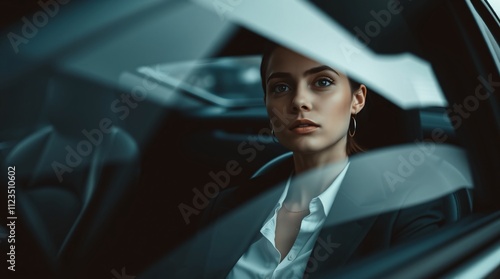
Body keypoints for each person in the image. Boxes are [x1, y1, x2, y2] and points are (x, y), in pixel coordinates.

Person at [186, 45, 449, 279]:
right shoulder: (228, 207)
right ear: (267, 103)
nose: (299, 101)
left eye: (322, 82)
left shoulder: (406, 209)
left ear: (357, 99)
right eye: (280, 88)